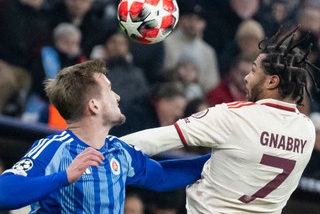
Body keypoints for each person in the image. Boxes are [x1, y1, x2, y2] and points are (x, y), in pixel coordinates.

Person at [121, 26, 320, 213]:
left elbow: (158, 139)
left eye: (253, 70)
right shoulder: (307, 130)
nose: (246, 78)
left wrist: (106, 149)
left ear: (272, 81)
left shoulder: (234, 115)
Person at [0, 60, 209, 212]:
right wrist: (65, 177)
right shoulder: (55, 148)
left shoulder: (118, 150)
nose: (117, 96)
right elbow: (4, 193)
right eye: (109, 90)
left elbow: (162, 176)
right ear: (94, 105)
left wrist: (220, 159)